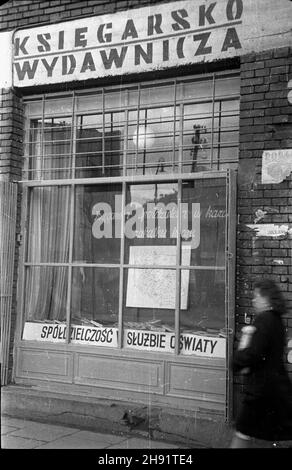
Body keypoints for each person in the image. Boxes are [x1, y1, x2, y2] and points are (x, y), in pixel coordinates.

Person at [230, 279, 292, 448]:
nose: (253, 300)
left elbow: (253, 353)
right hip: (272, 390)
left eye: (256, 296)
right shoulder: (277, 320)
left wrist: (236, 360)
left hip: (259, 392)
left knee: (243, 433)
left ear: (266, 298)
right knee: (257, 435)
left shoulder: (264, 320)